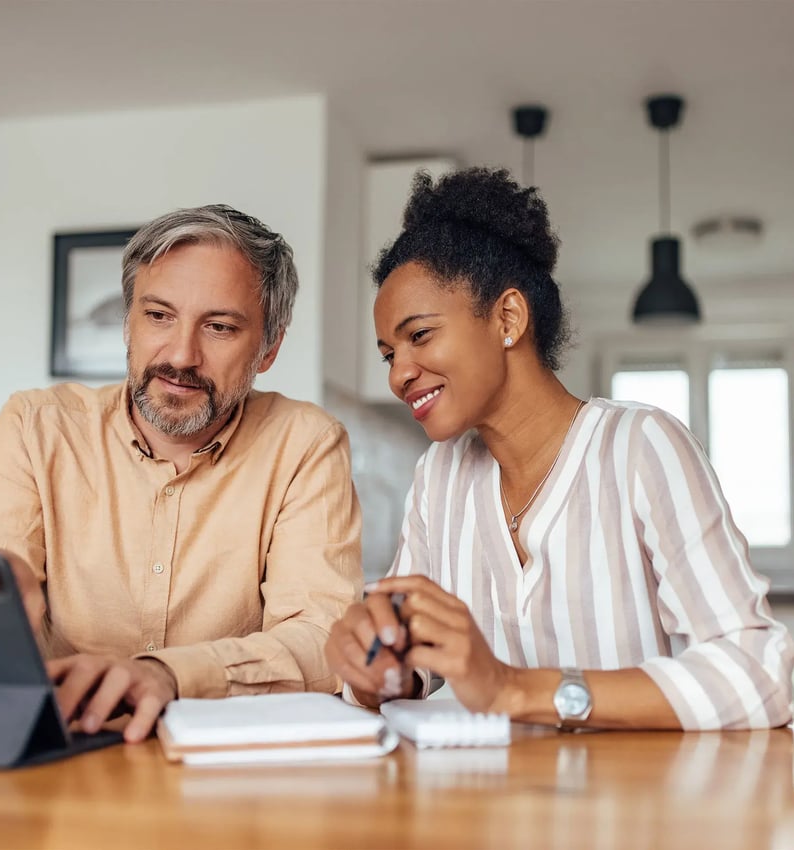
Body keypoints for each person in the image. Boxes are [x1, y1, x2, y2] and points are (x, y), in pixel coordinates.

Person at [324, 167, 793, 730]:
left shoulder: (641, 448)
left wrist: (515, 689)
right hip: (490, 811)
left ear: (508, 318)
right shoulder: (439, 478)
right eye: (387, 354)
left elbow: (760, 672)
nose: (399, 373)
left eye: (419, 335)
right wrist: (380, 669)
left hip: (644, 810)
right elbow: (416, 668)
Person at [0, 204, 362, 742]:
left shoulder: (306, 444)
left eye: (219, 327)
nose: (181, 355)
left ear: (270, 347)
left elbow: (322, 639)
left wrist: (169, 676)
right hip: (59, 753)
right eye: (159, 316)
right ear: (128, 322)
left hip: (223, 770)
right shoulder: (35, 427)